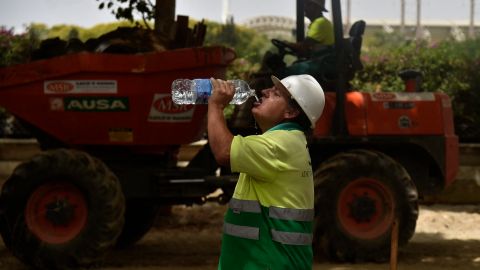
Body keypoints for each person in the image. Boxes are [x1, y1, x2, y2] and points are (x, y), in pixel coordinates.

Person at [207, 74, 325, 270]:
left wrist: (216, 106)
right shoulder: (288, 141)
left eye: (276, 93)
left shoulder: (280, 144)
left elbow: (224, 152)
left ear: (291, 111)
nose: (264, 92)